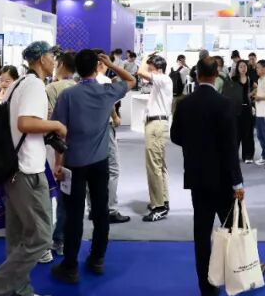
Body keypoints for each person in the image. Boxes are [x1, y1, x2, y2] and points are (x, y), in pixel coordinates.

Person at [0, 41, 66, 296]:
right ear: (41, 59)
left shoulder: (18, 83)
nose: (54, 60)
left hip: (14, 169)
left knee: (18, 237)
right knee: (41, 238)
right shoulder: (34, 84)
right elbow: (25, 123)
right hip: (27, 170)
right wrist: (56, 126)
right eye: (51, 56)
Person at [50, 50, 135, 284]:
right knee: (100, 211)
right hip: (99, 162)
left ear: (76, 68)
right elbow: (131, 80)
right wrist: (110, 65)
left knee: (74, 215)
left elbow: (59, 133)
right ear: (97, 67)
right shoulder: (107, 91)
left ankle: (70, 266)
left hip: (73, 163)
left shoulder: (68, 95)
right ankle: (97, 258)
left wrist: (58, 163)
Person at [171, 56, 245, 296]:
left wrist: (195, 145)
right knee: (234, 229)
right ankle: (240, 274)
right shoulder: (224, 104)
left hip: (197, 177)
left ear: (196, 74)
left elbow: (175, 136)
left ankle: (206, 287)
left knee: (201, 235)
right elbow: (230, 147)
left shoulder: (184, 103)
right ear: (217, 74)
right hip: (223, 179)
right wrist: (237, 182)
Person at [45, 52, 78, 255]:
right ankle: (63, 239)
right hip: (78, 149)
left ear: (62, 64)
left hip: (56, 147)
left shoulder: (52, 88)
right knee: (69, 196)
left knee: (51, 195)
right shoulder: (79, 87)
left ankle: (53, 239)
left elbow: (49, 120)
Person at [93, 48, 130, 223]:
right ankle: (110, 209)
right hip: (104, 128)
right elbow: (110, 104)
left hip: (89, 129)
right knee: (113, 168)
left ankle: (93, 207)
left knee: (91, 167)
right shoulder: (104, 80)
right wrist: (115, 117)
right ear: (102, 62)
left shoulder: (80, 82)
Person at [138, 54, 173, 221]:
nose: (148, 70)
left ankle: (158, 206)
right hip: (156, 124)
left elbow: (140, 72)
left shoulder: (163, 78)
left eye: (151, 67)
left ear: (158, 69)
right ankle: (163, 200)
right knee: (159, 165)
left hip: (156, 125)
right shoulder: (161, 81)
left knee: (154, 166)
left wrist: (145, 57)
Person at [231, 59, 256, 163]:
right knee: (235, 133)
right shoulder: (233, 79)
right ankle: (233, 156)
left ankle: (248, 156)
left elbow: (257, 88)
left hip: (247, 108)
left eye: (245, 66)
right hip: (236, 109)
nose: (243, 68)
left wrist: (250, 95)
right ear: (237, 68)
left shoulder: (249, 79)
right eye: (241, 66)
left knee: (248, 132)